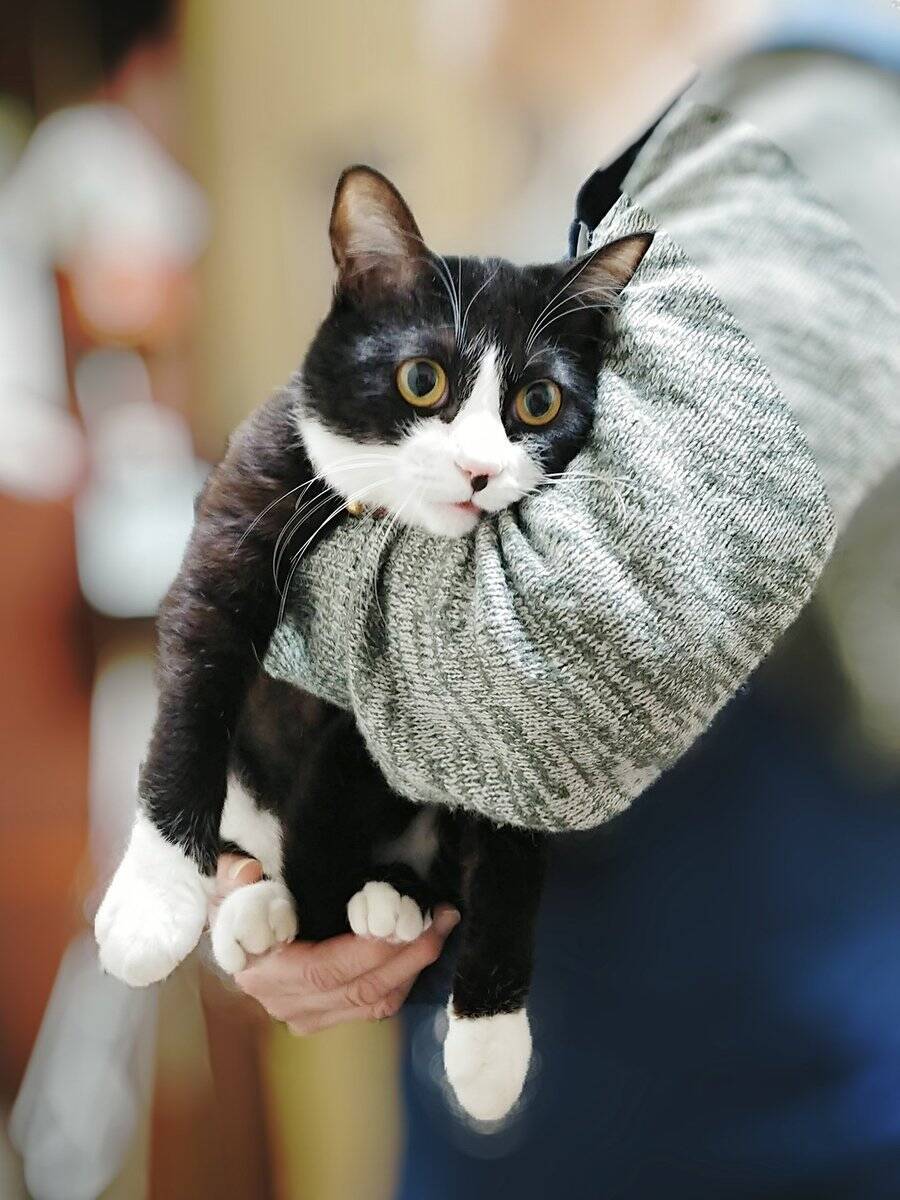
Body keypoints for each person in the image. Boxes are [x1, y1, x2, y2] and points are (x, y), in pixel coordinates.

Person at [213, 2, 900, 1195]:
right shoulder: (562, 190)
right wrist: (264, 844)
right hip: (514, 1106)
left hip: (759, 1116)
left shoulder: (821, 130)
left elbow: (555, 666)